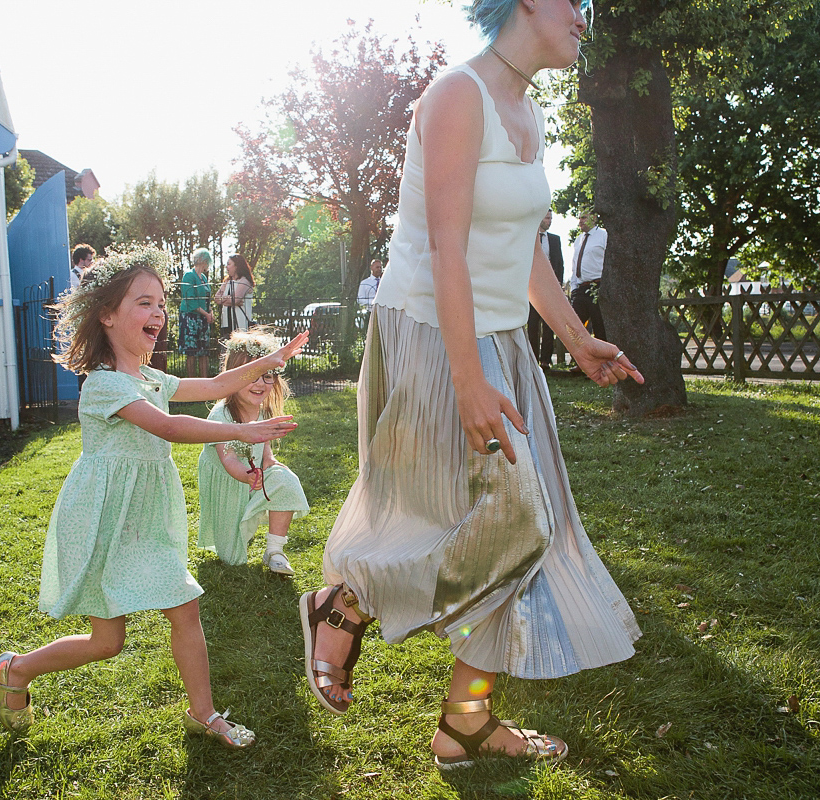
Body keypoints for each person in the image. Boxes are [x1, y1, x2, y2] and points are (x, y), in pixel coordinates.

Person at [299, 0, 644, 771]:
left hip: (499, 341)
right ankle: (349, 600)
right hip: (432, 335)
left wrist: (578, 340)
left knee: (529, 534)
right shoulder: (460, 95)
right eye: (573, 1)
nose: (585, 16)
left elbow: (522, 252)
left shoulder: (528, 111)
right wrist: (464, 378)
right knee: (517, 520)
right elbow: (446, 246)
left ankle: (465, 719)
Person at [0, 245, 308, 749]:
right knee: (106, 642)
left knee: (185, 606)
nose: (158, 312)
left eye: (161, 303)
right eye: (144, 302)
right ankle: (16, 668)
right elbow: (167, 425)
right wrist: (244, 434)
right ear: (108, 315)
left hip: (147, 515)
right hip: (104, 517)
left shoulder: (153, 377)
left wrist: (268, 360)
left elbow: (218, 383)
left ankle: (202, 714)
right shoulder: (103, 384)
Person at [197, 328, 309, 576]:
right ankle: (235, 532)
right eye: (252, 375)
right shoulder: (222, 415)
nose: (260, 383)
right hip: (229, 482)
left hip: (252, 477)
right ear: (233, 377)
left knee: (285, 480)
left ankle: (275, 551)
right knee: (232, 559)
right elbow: (229, 459)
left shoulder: (263, 410)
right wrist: (246, 476)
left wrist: (271, 463)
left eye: (267, 376)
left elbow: (264, 448)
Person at [526, 209, 565, 371]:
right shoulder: (528, 238)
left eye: (551, 218)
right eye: (547, 218)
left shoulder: (555, 240)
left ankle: (545, 361)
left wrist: (558, 287)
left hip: (550, 290)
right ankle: (533, 360)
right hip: (532, 290)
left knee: (549, 326)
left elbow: (559, 265)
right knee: (532, 325)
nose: (550, 221)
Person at [570, 211, 607, 346]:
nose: (580, 221)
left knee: (599, 327)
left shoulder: (603, 235)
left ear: (594, 218)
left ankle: (602, 364)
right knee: (575, 327)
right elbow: (574, 264)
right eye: (579, 218)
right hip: (581, 288)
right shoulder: (578, 239)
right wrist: (574, 287)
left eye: (584, 217)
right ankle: (579, 362)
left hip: (597, 286)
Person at [179, 248, 215, 378]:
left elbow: (207, 298)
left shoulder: (204, 278)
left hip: (203, 318)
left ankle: (205, 383)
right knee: (191, 352)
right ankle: (191, 383)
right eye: (207, 262)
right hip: (190, 318)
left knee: (204, 352)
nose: (207, 265)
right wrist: (206, 314)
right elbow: (190, 300)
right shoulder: (189, 275)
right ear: (203, 261)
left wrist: (210, 312)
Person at [213, 253, 255, 340]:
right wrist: (230, 299)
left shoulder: (244, 281)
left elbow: (235, 300)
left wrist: (226, 300)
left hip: (241, 322)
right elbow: (216, 299)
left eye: (229, 264)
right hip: (227, 322)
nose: (226, 267)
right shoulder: (227, 281)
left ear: (236, 266)